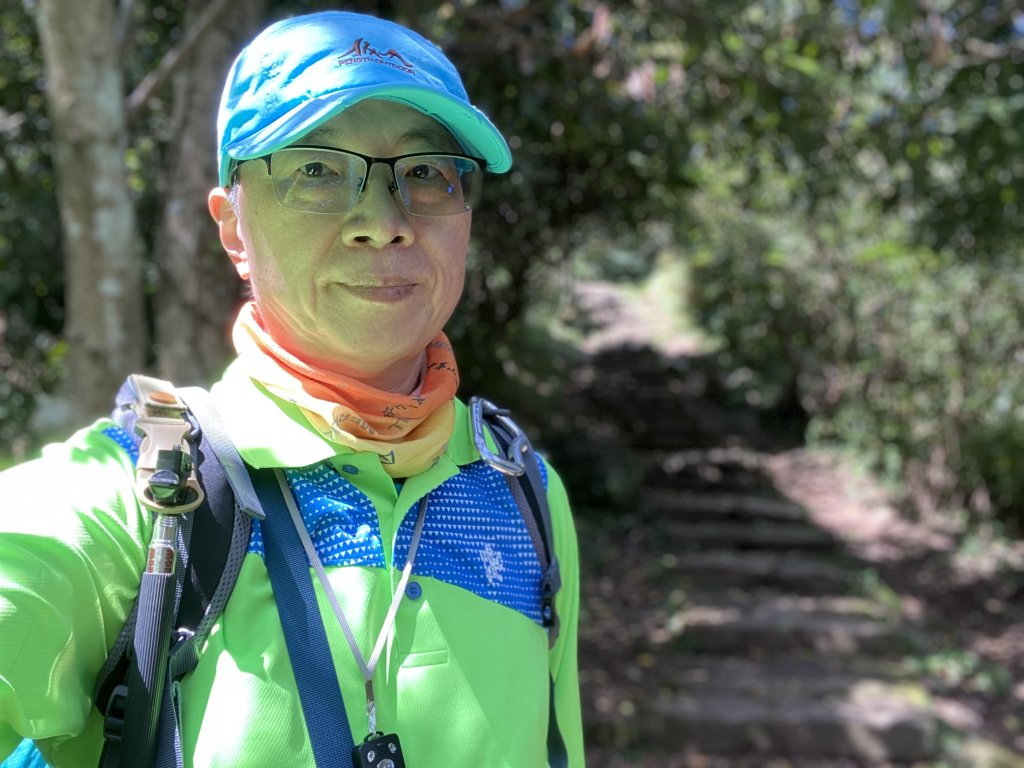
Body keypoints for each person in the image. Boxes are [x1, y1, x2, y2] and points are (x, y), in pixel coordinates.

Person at [0, 10, 583, 767]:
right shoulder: (145, 498)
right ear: (233, 227)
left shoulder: (523, 489)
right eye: (315, 170)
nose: (384, 222)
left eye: (428, 172)